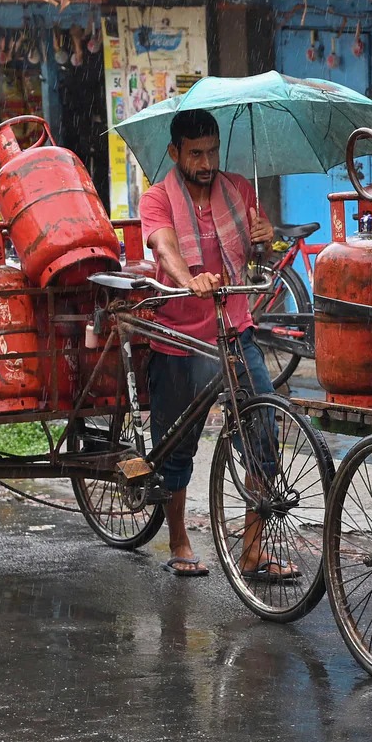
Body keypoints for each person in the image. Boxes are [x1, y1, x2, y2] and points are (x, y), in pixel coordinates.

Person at [139, 108, 295, 580]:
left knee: (264, 427)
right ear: (175, 153)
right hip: (179, 337)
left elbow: (257, 257)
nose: (206, 162)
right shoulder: (157, 199)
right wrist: (191, 279)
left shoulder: (238, 192)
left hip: (234, 328)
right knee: (175, 446)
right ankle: (180, 540)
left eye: (212, 151)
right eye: (196, 153)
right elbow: (165, 248)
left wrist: (267, 240)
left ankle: (251, 549)